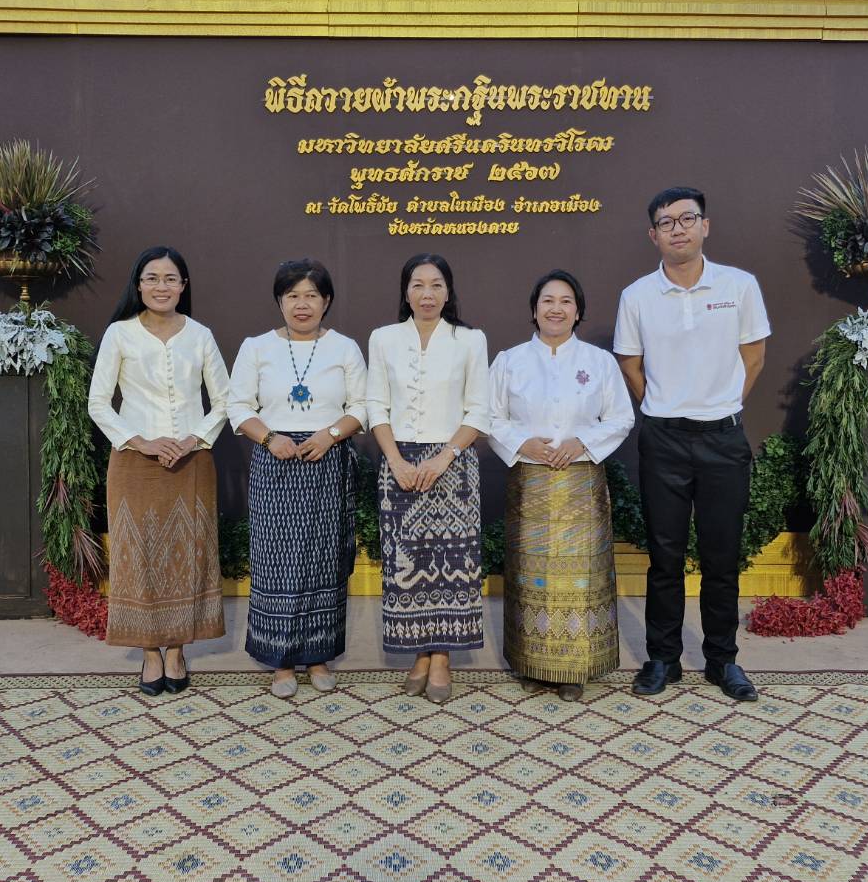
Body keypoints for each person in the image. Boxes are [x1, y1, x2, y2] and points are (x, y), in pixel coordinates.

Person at [614, 187, 769, 702]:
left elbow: (753, 358)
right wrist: (668, 409)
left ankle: (723, 660)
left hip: (723, 438)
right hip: (663, 439)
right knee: (665, 555)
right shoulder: (636, 295)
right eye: (666, 222)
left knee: (722, 556)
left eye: (688, 218)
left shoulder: (739, 286)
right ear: (652, 235)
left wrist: (718, 406)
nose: (678, 228)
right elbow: (631, 367)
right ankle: (663, 659)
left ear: (706, 226)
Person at [87, 246, 231, 696]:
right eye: (153, 278)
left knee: (188, 555)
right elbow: (98, 403)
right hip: (134, 461)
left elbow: (226, 401)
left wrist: (192, 438)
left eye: (171, 279)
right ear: (138, 285)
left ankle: (177, 649)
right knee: (139, 556)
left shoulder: (201, 335)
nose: (162, 286)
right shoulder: (120, 334)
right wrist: (144, 442)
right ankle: (151, 649)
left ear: (183, 286)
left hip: (192, 461)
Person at [489, 269, 633, 701]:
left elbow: (622, 418)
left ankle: (575, 668)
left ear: (578, 311)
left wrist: (581, 443)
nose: (556, 308)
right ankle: (532, 662)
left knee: (579, 578)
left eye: (566, 301)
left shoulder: (599, 362)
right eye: (548, 300)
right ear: (534, 310)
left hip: (580, 480)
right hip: (529, 481)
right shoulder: (509, 361)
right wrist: (523, 443)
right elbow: (490, 418)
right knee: (531, 576)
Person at [227, 259, 367, 699]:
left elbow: (363, 406)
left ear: (326, 301)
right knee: (276, 563)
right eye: (292, 296)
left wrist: (330, 435)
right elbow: (237, 406)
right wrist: (269, 438)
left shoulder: (345, 348)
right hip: (275, 461)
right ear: (279, 301)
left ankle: (319, 656)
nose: (302, 304)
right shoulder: (256, 347)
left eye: (311, 295)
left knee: (323, 559)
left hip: (327, 459)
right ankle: (281, 662)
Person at [367, 253, 490, 703]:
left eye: (436, 285)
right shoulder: (383, 338)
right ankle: (419, 652)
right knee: (409, 565)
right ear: (405, 291)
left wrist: (444, 458)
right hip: (397, 463)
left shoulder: (469, 340)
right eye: (418, 285)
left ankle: (443, 657)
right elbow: (375, 405)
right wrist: (396, 460)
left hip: (453, 465)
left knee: (452, 565)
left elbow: (479, 410)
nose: (427, 294)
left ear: (448, 290)